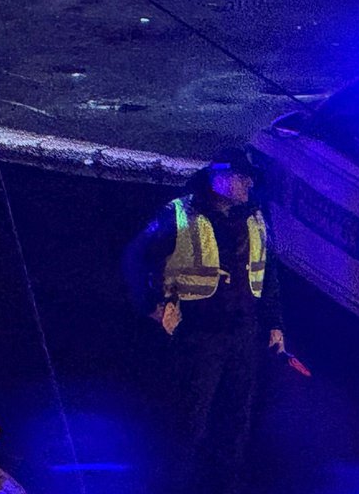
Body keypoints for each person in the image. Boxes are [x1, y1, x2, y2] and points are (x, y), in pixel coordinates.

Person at [124, 147, 284, 494]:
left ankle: (226, 485)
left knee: (237, 419)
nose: (248, 184)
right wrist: (152, 306)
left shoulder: (255, 217)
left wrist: (274, 324)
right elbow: (136, 259)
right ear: (219, 178)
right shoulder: (179, 214)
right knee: (189, 419)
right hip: (198, 335)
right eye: (241, 177)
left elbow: (268, 273)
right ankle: (176, 485)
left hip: (243, 333)